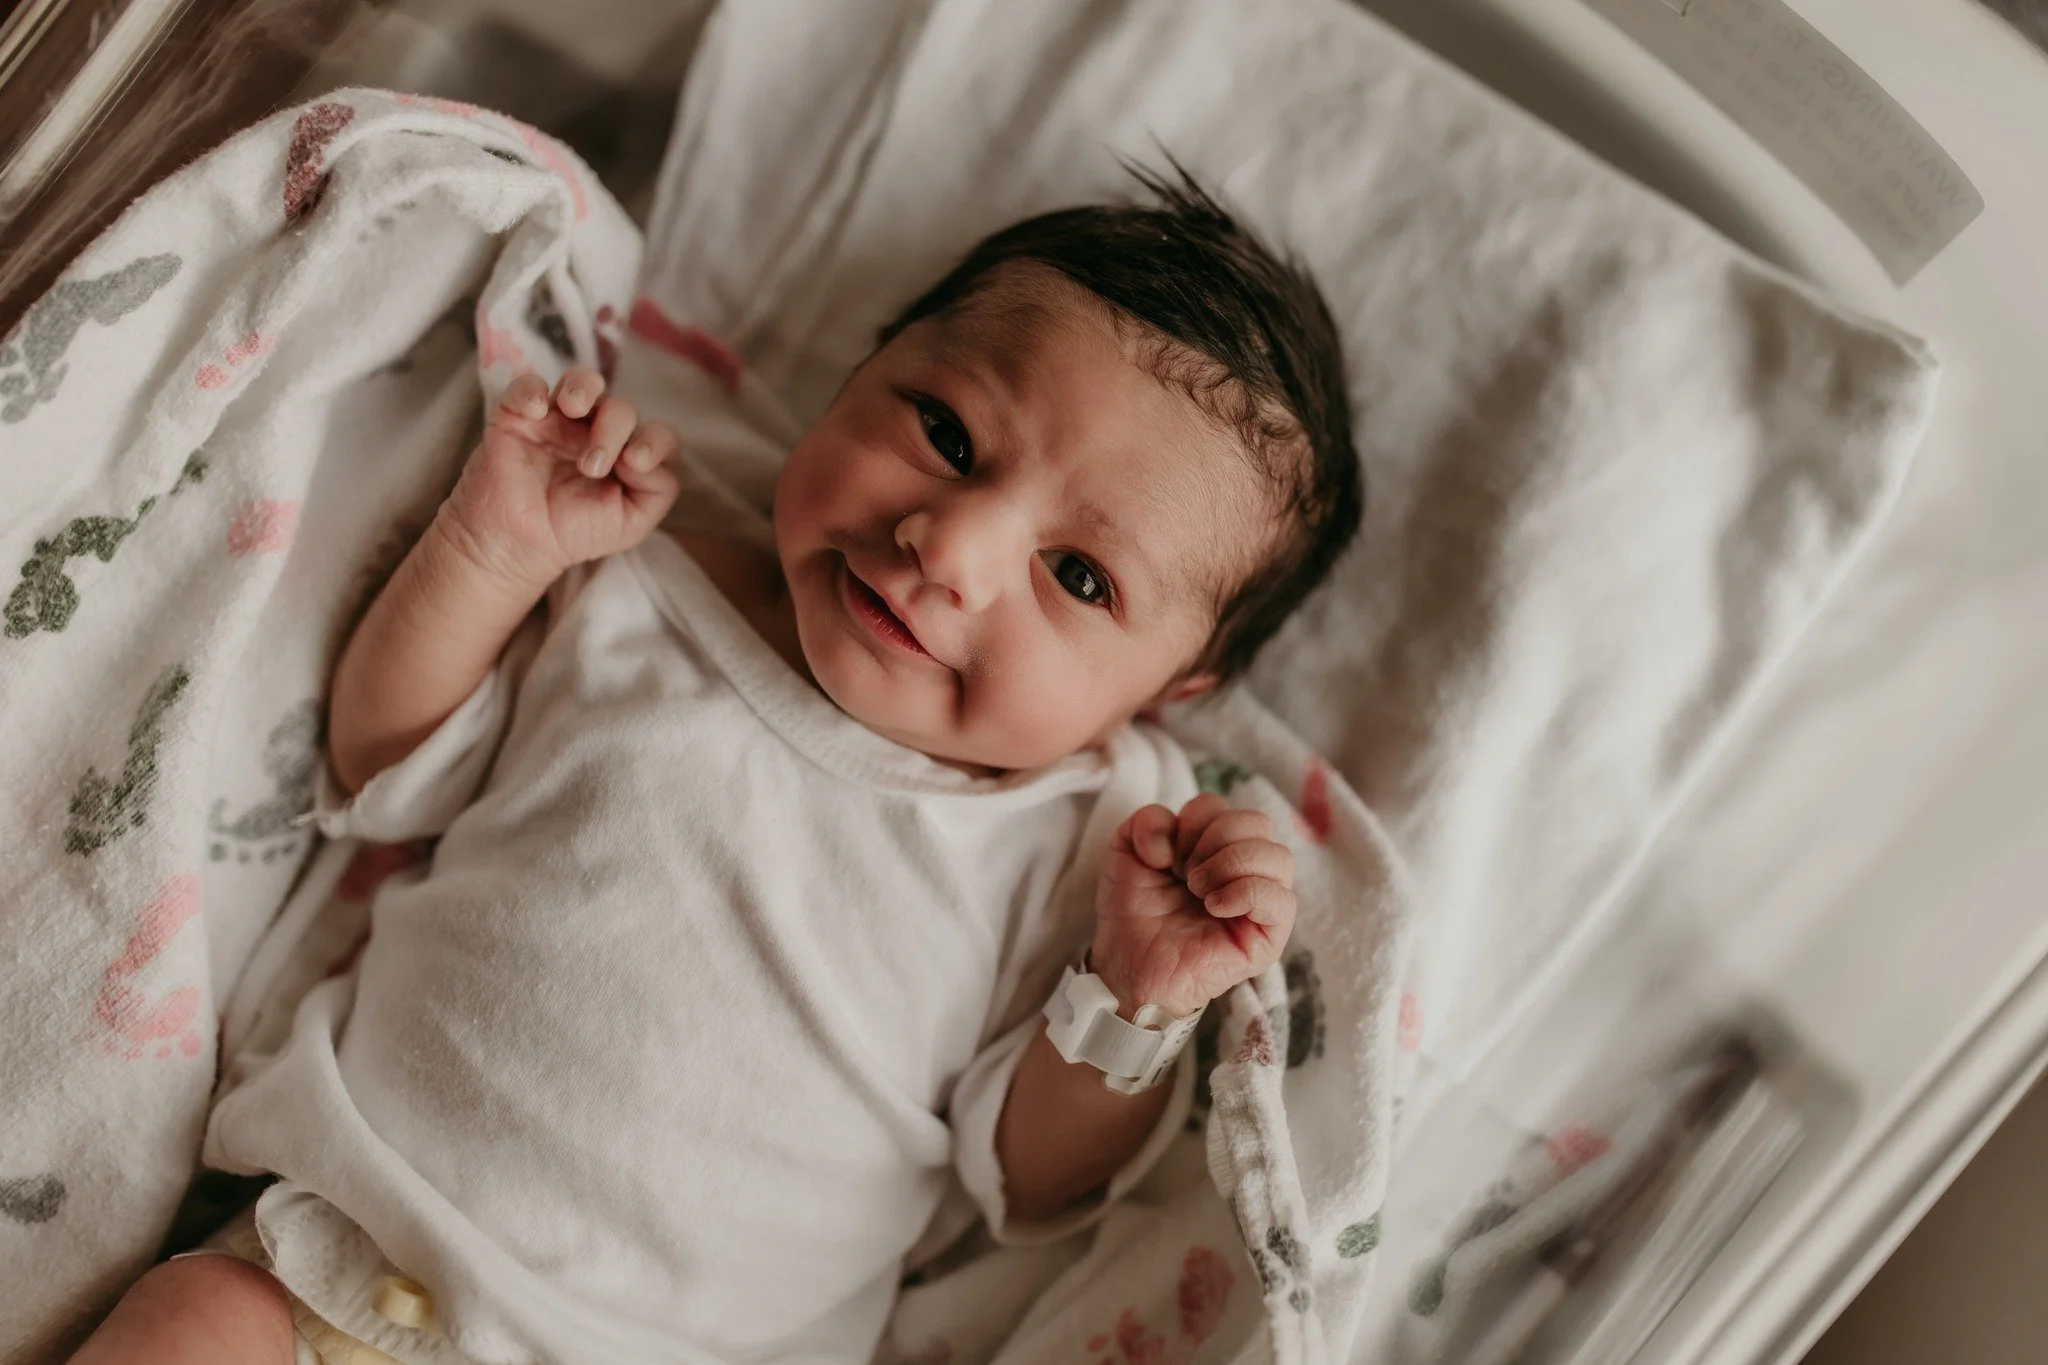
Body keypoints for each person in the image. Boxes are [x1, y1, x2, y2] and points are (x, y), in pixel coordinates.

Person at [70, 171, 1362, 1365]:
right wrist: (492, 547)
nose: (951, 545)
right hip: (332, 1255)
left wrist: (1131, 1002)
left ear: (1172, 688)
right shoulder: (642, 570)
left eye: (1078, 576)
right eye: (948, 433)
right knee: (194, 1323)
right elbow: (381, 765)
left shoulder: (1092, 842)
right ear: (867, 363)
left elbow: (1028, 1182)